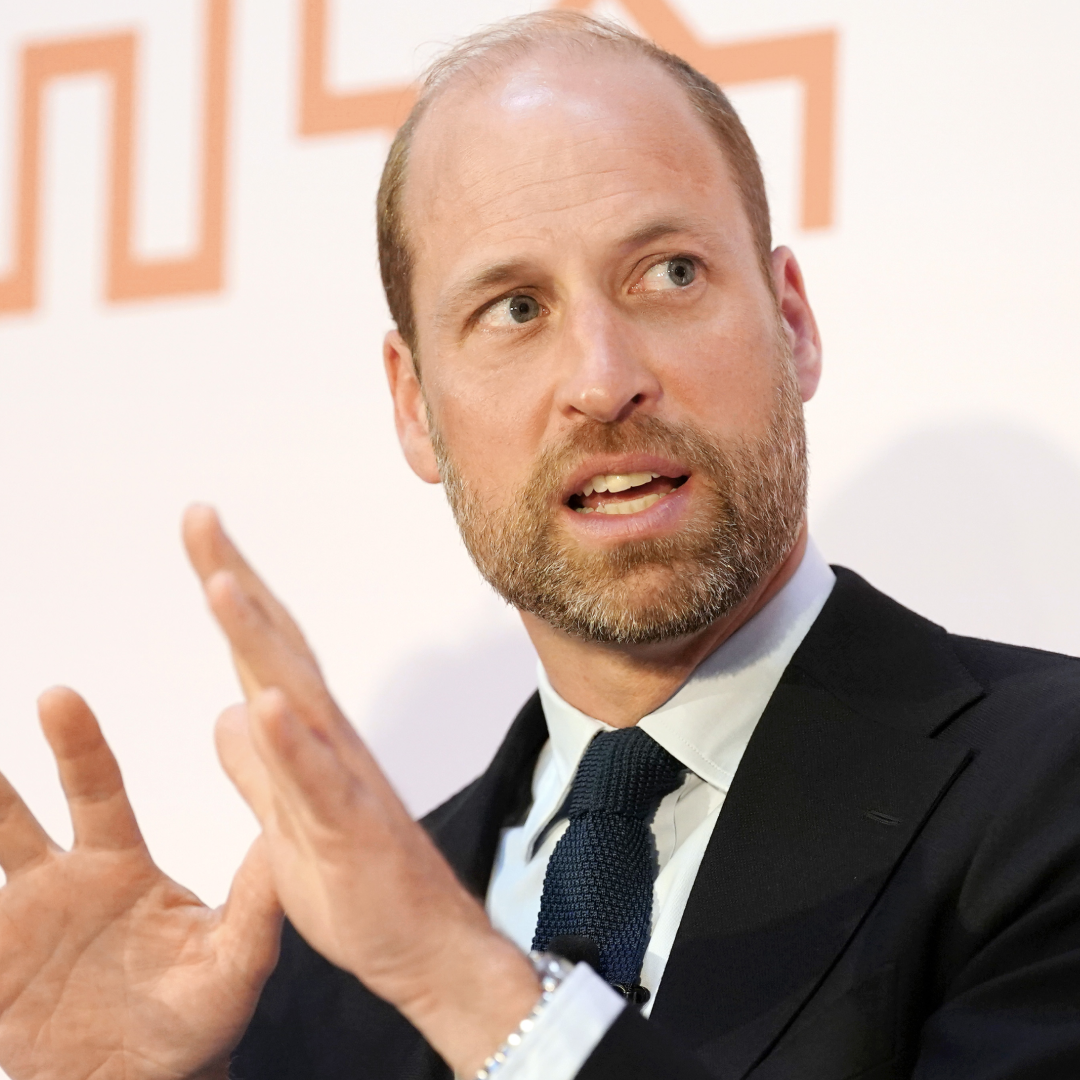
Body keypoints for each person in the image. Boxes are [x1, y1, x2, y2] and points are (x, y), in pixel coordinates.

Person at [1, 10, 1079, 1080]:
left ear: (791, 321)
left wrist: (458, 976)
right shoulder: (319, 980)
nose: (603, 380)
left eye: (670, 274)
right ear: (414, 407)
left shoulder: (1047, 793)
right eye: (516, 308)